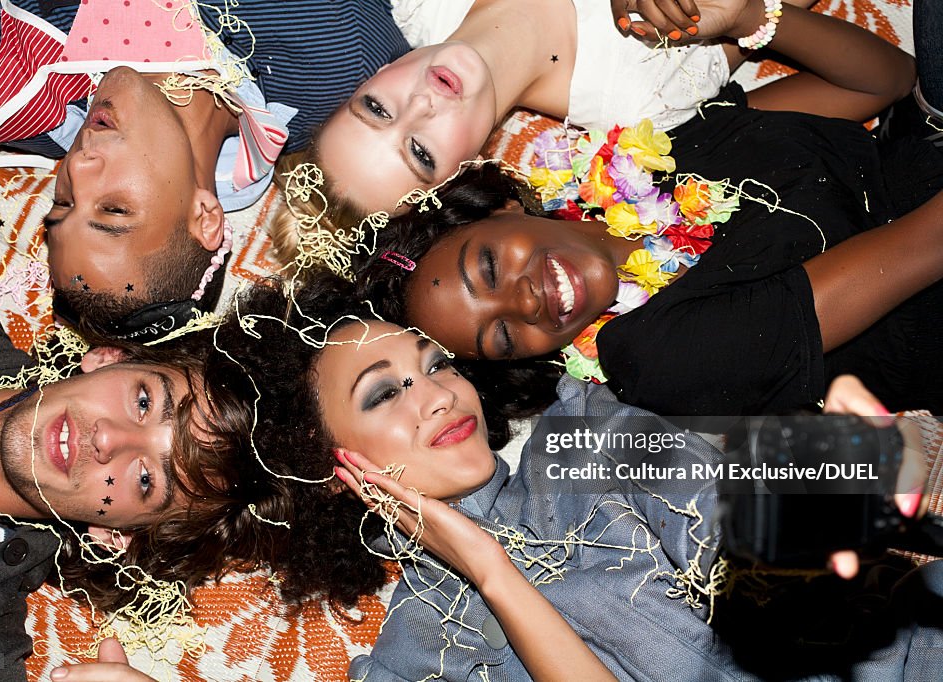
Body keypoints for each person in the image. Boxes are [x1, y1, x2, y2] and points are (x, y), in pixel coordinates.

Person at [162, 278, 938, 682]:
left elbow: (723, 511)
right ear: (332, 472)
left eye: (434, 365)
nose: (438, 392)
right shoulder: (419, 647)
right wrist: (492, 574)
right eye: (385, 392)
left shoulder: (579, 434)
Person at [348, 0, 943, 416]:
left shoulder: (649, 152)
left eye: (489, 269)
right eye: (502, 335)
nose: (523, 301)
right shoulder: (657, 358)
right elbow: (925, 245)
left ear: (505, 209)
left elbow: (884, 81)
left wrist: (749, 18)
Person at [268, 0, 909, 263]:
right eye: (419, 152)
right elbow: (886, 80)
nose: (419, 108)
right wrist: (750, 16)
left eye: (377, 109)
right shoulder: (642, 102)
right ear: (461, 173)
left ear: (371, 75)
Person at [0, 0, 410, 337]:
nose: (80, 165)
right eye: (113, 209)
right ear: (205, 216)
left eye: (63, 202)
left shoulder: (36, 101)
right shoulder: (335, 73)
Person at [0, 225, 276, 680]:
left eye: (146, 479)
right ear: (109, 358)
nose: (109, 440)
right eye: (144, 402)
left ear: (114, 536)